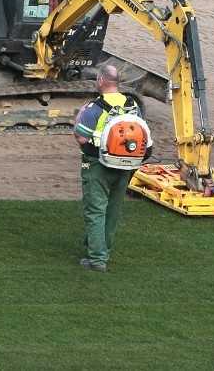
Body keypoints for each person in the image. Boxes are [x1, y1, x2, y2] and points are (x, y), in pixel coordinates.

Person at [73, 65, 141, 272]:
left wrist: (79, 115)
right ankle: (101, 247)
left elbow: (81, 137)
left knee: (95, 211)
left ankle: (97, 260)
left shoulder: (94, 107)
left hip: (97, 167)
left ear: (101, 81)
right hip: (125, 167)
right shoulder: (132, 105)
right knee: (112, 212)